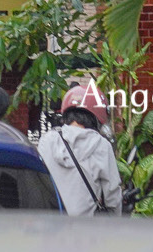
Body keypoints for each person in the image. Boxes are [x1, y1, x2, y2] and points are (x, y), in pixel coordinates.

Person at [37, 85, 120, 217]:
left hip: (51, 226)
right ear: (97, 116)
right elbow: (112, 194)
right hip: (86, 230)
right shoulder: (102, 146)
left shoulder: (46, 141)